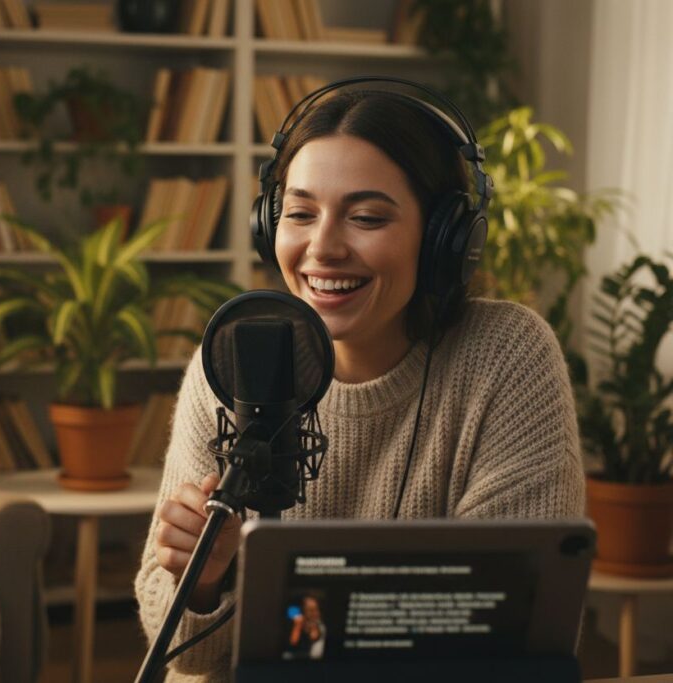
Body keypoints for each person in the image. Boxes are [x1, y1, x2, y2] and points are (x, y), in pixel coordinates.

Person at [134, 84, 585, 683]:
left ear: (445, 241)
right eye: (298, 213)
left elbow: (511, 630)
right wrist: (206, 582)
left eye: (367, 217)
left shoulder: (505, 358)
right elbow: (189, 657)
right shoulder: (232, 359)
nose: (322, 248)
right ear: (269, 224)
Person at [285, 595, 326, 660]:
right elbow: (292, 642)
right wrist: (297, 626)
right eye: (310, 610)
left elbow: (314, 637)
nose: (314, 613)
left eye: (315, 610)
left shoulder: (318, 624)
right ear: (303, 610)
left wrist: (313, 625)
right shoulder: (295, 621)